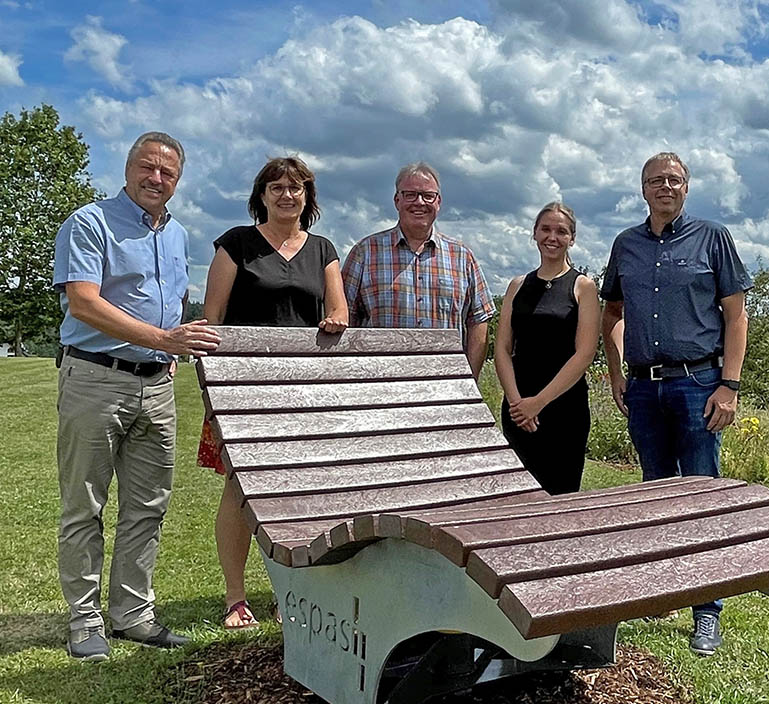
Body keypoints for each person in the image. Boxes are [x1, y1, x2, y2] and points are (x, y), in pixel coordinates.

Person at [53, 131, 221, 661]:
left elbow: (171, 306)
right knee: (85, 505)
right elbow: (84, 304)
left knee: (148, 507)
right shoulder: (90, 223)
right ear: (127, 169)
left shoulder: (178, 236)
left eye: (167, 173)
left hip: (157, 386)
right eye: (147, 168)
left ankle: (132, 614)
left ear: (177, 180)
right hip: (95, 379)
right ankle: (84, 622)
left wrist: (171, 348)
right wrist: (164, 339)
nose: (156, 179)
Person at [600, 152, 751, 657]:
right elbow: (613, 312)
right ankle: (658, 593)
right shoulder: (626, 245)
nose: (665, 187)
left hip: (698, 384)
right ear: (642, 189)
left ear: (687, 188)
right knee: (654, 497)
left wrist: (729, 385)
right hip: (644, 388)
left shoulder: (713, 237)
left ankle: (707, 612)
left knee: (702, 495)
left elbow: (735, 316)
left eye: (674, 180)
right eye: (655, 180)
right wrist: (617, 371)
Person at [198, 156, 348, 630]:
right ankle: (236, 597)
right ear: (261, 195)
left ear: (309, 198)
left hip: (303, 391)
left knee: (299, 494)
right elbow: (212, 319)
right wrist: (216, 389)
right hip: (242, 390)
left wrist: (335, 320)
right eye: (277, 187)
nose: (287, 195)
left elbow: (338, 308)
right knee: (239, 490)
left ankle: (290, 591)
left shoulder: (323, 249)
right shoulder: (236, 244)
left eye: (296, 188)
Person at [341, 162, 494, 377]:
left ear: (438, 202)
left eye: (427, 195)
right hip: (381, 383)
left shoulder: (462, 256)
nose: (419, 202)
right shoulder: (365, 252)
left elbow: (479, 319)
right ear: (397, 200)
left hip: (446, 383)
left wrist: (469, 377)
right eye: (410, 195)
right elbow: (345, 316)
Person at [494, 202, 600, 494]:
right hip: (518, 408)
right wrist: (518, 404)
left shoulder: (583, 287)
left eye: (561, 231)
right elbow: (502, 349)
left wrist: (538, 403)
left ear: (572, 238)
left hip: (564, 408)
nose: (552, 237)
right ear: (535, 234)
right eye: (546, 229)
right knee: (518, 496)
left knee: (560, 494)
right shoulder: (517, 286)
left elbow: (585, 353)